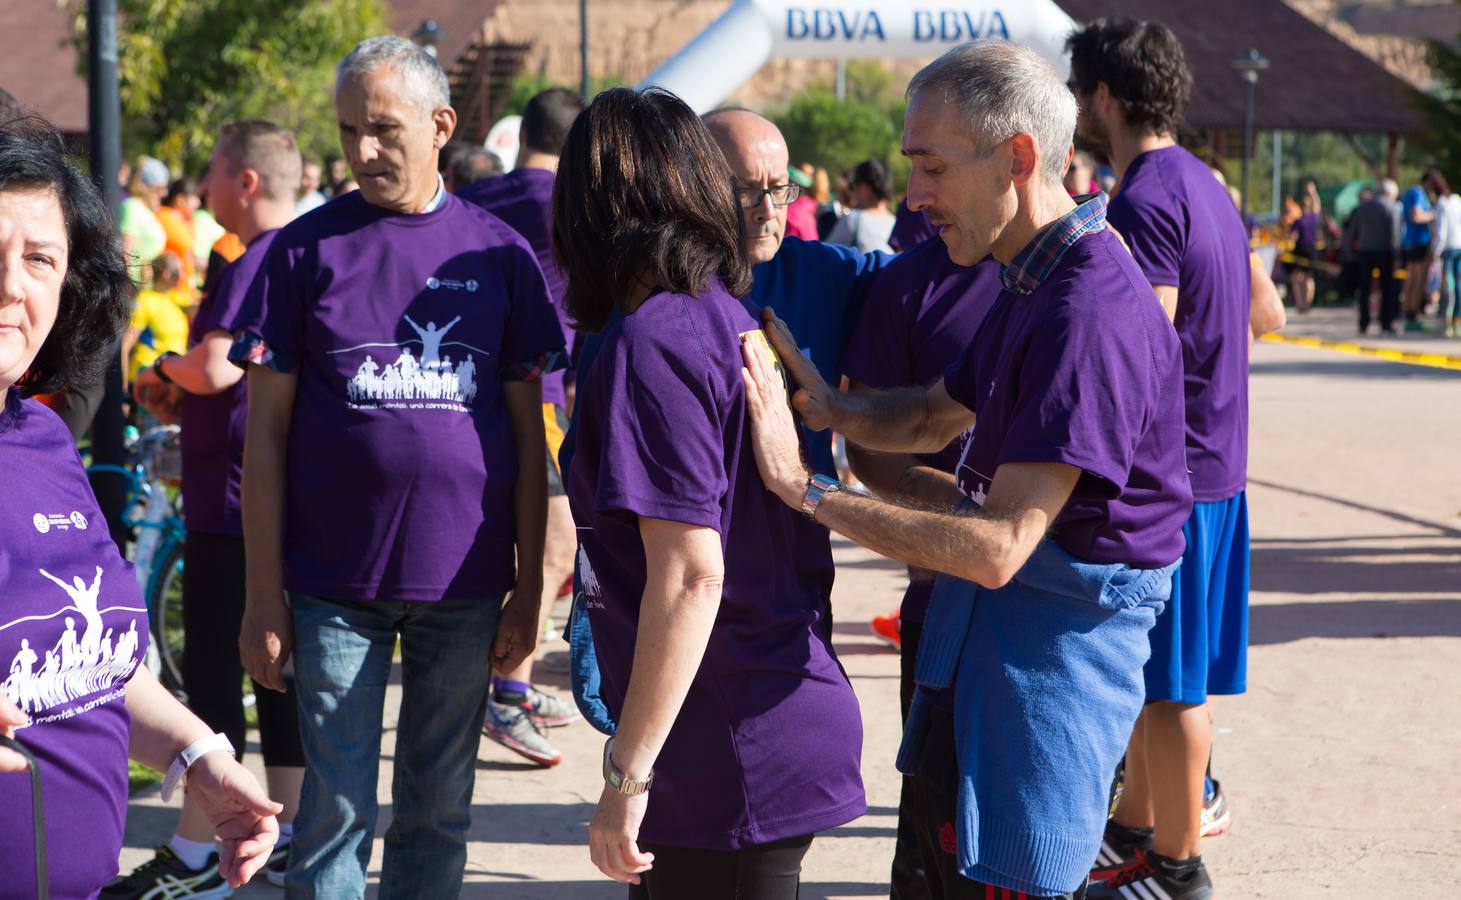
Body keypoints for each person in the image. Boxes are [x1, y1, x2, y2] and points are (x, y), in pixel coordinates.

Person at [738, 40, 1192, 899]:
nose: (912, 196)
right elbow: (932, 410)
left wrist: (804, 487)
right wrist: (833, 411)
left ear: (1017, 157)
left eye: (930, 167)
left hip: (1040, 684)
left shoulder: (1085, 310)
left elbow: (997, 548)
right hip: (987, 656)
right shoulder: (1031, 279)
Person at [230, 36, 565, 897]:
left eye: (382, 129)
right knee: (334, 815)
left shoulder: (500, 257)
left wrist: (529, 592)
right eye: (348, 131)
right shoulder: (301, 253)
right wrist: (262, 594)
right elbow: (262, 435)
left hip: (463, 586)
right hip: (329, 588)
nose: (363, 151)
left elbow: (534, 445)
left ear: (440, 125)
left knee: (437, 809)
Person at [557, 85, 866, 900]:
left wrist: (626, 777)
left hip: (728, 738)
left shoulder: (657, 337)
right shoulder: (710, 315)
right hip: (735, 721)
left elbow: (694, 574)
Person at [0, 121, 281, 900]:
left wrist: (198, 754)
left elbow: (93, 662)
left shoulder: (44, 439)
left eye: (39, 259)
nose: (12, 286)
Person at [1066, 18, 1282, 899]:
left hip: (1178, 482)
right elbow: (1265, 311)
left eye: (1081, 94)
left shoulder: (1146, 195)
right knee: (1161, 678)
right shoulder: (1205, 184)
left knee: (1171, 687)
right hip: (1215, 471)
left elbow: (1138, 338)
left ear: (1106, 97)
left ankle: (1177, 867)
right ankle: (1130, 831)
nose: (1078, 110)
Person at [110, 120, 307, 899]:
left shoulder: (252, 259)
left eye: (217, 175)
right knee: (274, 677)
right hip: (264, 500)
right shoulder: (299, 250)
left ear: (245, 182)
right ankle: (285, 831)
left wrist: (160, 366)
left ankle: (200, 854)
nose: (207, 188)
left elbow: (217, 368)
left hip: (231, 504)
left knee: (218, 681)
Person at [841, 238, 1003, 899]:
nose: (917, 194)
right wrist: (946, 515)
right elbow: (872, 446)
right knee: (929, 836)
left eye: (933, 168)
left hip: (1061, 624)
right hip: (941, 610)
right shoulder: (908, 283)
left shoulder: (1085, 278)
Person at [459, 85, 587, 767]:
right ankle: (506, 693)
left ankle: (517, 679)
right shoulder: (565, 205)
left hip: (479, 392)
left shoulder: (479, 197)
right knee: (552, 547)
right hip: (541, 396)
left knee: (527, 547)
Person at [121, 251, 191, 384]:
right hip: (147, 378)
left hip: (170, 379)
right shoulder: (144, 301)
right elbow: (125, 347)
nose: (183, 276)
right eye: (180, 272)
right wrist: (123, 391)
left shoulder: (175, 300)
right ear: (167, 275)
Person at [1350, 180, 1400, 333]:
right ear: (1389, 193)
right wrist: (1396, 255)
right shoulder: (1390, 207)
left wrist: (1351, 250)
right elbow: (1394, 235)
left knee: (1365, 289)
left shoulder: (1363, 207)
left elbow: (1353, 232)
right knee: (1387, 289)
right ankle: (1386, 323)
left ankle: (1363, 322)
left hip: (1365, 252)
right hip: (1384, 252)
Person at [828, 158, 897, 253]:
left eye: (854, 184)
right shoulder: (897, 222)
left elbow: (825, 254)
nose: (853, 190)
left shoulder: (852, 220)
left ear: (865, 186)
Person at [119, 156, 169, 282]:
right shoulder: (132, 207)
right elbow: (125, 256)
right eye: (160, 189)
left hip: (146, 291)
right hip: (135, 293)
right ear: (147, 187)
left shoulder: (145, 211)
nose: (165, 193)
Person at [1400, 172, 1440, 330]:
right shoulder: (1418, 193)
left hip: (1410, 241)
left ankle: (1408, 315)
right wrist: (1433, 215)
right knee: (1417, 281)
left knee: (1410, 280)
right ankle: (1412, 317)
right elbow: (1416, 215)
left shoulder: (1409, 193)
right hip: (1419, 242)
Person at [156, 177, 201, 294]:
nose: (198, 203)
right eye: (194, 198)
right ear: (180, 199)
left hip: (184, 290)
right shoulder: (165, 217)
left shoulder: (185, 221)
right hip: (171, 289)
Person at [1432, 173, 1461, 336]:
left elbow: (1441, 231)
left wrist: (1436, 252)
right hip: (1460, 246)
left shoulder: (1441, 203)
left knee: (1448, 287)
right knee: (1459, 285)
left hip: (1449, 249)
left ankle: (1448, 324)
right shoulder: (1457, 199)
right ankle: (1458, 322)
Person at [1289, 190, 1321, 312]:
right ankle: (1306, 304)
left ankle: (1301, 303)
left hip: (1301, 249)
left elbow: (1293, 236)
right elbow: (1317, 205)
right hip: (1310, 250)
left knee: (1297, 278)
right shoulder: (1313, 218)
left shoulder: (1300, 221)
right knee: (1307, 278)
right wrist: (1313, 192)